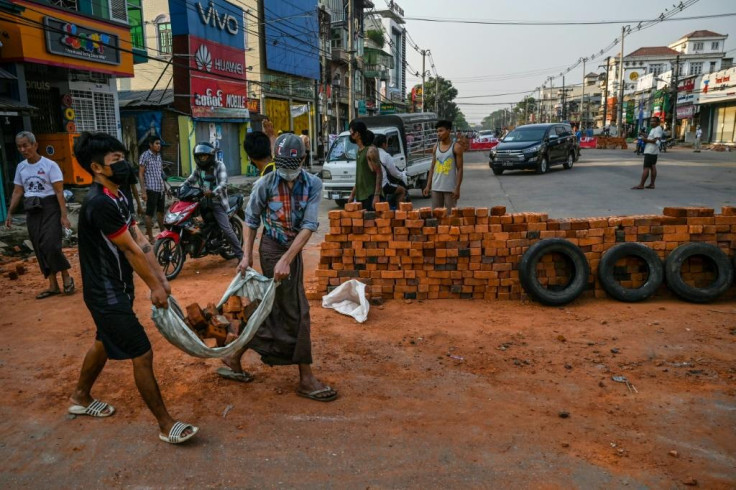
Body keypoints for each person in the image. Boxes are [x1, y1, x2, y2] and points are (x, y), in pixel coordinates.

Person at [69, 132, 198, 444]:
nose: (124, 164)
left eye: (122, 157)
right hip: (106, 294)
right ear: (97, 167)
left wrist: (163, 279)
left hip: (119, 289)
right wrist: (154, 286)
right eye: (116, 161)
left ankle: (81, 396)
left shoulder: (119, 195)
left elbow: (141, 242)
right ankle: (165, 424)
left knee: (103, 341)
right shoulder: (99, 204)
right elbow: (129, 250)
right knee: (141, 352)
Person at [222, 133, 337, 402]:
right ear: (275, 161)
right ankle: (306, 378)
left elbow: (309, 225)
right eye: (282, 167)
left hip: (291, 251)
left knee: (273, 307)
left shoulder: (313, 185)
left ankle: (234, 354)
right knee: (297, 309)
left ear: (304, 161)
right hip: (272, 249)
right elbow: (250, 220)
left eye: (292, 168)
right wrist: (247, 256)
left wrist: (289, 258)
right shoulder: (264, 183)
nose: (287, 174)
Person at [5, 131, 75, 299]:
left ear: (35, 145)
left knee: (51, 245)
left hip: (50, 207)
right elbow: (18, 191)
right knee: (39, 246)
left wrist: (63, 216)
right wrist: (10, 212)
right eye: (19, 146)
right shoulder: (21, 167)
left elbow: (59, 192)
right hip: (31, 209)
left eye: (25, 145)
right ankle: (53, 285)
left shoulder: (50, 165)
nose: (23, 149)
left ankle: (66, 275)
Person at [182, 142, 243, 261]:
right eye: (200, 156)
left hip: (217, 202)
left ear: (210, 156)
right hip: (203, 202)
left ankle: (241, 256)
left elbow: (223, 184)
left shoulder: (219, 166)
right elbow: (189, 181)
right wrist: (179, 189)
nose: (202, 158)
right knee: (191, 223)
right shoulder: (199, 168)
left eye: (204, 156)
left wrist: (213, 192)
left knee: (226, 229)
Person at [423, 120, 464, 209]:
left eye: (441, 131)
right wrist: (428, 186)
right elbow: (432, 167)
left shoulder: (456, 147)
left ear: (449, 131)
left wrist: (457, 188)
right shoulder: (435, 147)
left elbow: (460, 169)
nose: (438, 134)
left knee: (451, 217)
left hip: (450, 189)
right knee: (436, 216)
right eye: (437, 131)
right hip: (436, 188)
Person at [347, 120, 382, 211]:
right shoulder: (359, 151)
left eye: (351, 132)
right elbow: (360, 177)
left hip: (370, 195)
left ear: (357, 133)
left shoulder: (370, 151)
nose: (350, 135)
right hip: (361, 196)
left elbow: (379, 173)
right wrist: (352, 195)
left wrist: (376, 196)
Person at [138, 135, 166, 242]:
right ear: (150, 145)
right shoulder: (145, 156)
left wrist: (166, 188)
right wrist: (143, 191)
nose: (159, 146)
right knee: (149, 213)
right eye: (156, 143)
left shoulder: (158, 156)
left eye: (159, 144)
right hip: (151, 188)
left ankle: (163, 233)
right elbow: (140, 174)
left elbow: (160, 173)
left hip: (160, 188)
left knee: (160, 212)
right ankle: (150, 237)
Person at [373, 133, 407, 207]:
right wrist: (403, 175)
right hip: (383, 185)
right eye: (387, 143)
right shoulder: (386, 156)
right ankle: (398, 213)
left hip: (373, 185)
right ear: (383, 144)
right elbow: (394, 173)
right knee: (402, 190)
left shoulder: (372, 153)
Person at [632, 116, 664, 190]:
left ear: (658, 122)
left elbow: (656, 140)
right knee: (652, 167)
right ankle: (652, 184)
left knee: (646, 167)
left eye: (653, 121)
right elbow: (651, 137)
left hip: (651, 151)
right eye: (651, 121)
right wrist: (643, 134)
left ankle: (641, 184)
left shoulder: (658, 129)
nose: (651, 123)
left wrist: (645, 140)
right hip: (652, 151)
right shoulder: (654, 129)